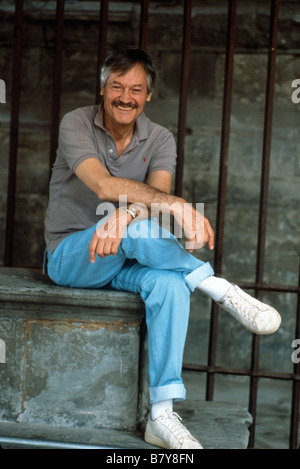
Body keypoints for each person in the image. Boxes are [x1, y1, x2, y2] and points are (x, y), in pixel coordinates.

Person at [44, 47, 281, 449]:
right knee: (137, 224)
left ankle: (162, 415)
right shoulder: (76, 123)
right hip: (71, 256)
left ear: (148, 96)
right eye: (116, 86)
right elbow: (103, 185)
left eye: (135, 89)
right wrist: (169, 207)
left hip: (125, 259)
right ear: (103, 89)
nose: (125, 96)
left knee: (169, 283)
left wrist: (128, 214)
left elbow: (157, 196)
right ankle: (217, 287)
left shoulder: (159, 138)